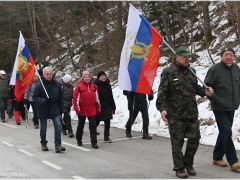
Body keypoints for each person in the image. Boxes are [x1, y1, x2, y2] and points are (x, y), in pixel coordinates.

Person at [155, 46, 213, 178]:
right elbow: (162, 93)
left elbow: (195, 89)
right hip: (175, 114)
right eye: (185, 57)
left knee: (195, 139)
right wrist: (162, 109)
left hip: (191, 113)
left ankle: (188, 163)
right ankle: (179, 168)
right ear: (177, 57)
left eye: (189, 57)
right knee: (177, 142)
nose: (188, 59)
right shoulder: (168, 72)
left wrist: (205, 91)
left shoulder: (191, 71)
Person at [204, 47, 240, 171]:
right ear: (221, 56)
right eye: (226, 54)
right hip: (219, 106)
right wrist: (215, 99)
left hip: (231, 106)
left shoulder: (236, 68)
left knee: (225, 131)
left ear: (234, 56)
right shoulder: (214, 69)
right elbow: (207, 87)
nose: (229, 57)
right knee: (227, 132)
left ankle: (217, 157)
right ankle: (233, 161)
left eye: (231, 54)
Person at [33, 67, 66, 153]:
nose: (49, 76)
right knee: (43, 128)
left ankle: (58, 145)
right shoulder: (39, 85)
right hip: (43, 110)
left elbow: (60, 98)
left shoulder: (57, 85)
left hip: (54, 109)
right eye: (47, 74)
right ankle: (43, 143)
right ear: (43, 75)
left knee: (58, 126)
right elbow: (35, 98)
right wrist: (44, 101)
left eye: (50, 74)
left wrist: (62, 109)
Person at [73, 71, 101, 149]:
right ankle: (79, 140)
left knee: (93, 127)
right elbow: (75, 99)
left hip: (92, 110)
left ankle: (94, 142)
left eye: (88, 77)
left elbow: (97, 99)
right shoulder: (78, 87)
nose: (87, 78)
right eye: (85, 77)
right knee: (81, 126)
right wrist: (77, 110)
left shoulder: (94, 87)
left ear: (90, 78)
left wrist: (98, 109)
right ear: (83, 78)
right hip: (82, 110)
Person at [94, 71, 116, 143]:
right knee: (97, 121)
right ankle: (93, 133)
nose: (103, 77)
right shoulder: (95, 85)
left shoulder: (108, 85)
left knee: (107, 121)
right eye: (101, 76)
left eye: (104, 75)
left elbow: (111, 97)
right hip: (99, 106)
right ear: (98, 78)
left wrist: (113, 107)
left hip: (107, 105)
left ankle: (106, 137)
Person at [58, 74, 74, 138]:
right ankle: (70, 131)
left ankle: (63, 129)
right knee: (68, 117)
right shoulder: (61, 86)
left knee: (65, 117)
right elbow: (59, 95)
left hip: (69, 103)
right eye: (70, 79)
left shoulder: (71, 86)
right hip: (63, 104)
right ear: (66, 80)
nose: (71, 80)